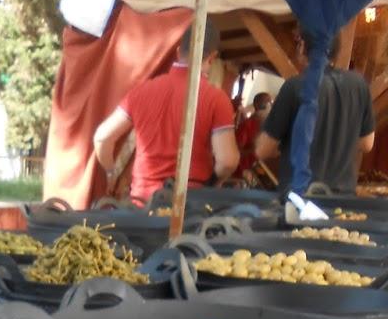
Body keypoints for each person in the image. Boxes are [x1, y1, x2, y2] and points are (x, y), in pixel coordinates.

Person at [93, 19, 239, 204]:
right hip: (189, 204)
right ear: (212, 58)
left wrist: (111, 172)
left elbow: (102, 137)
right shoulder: (216, 99)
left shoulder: (141, 92)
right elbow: (227, 161)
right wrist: (215, 182)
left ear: (178, 52)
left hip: (142, 203)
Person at [255, 29, 375, 194]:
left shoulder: (295, 87)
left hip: (299, 200)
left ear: (303, 46)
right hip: (343, 199)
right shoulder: (359, 85)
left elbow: (263, 149)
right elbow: (367, 144)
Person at [236, 90, 273, 176]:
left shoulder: (267, 126)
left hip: (259, 172)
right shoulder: (246, 125)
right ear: (267, 105)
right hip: (244, 173)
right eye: (271, 104)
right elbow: (236, 151)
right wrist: (253, 150)